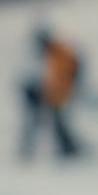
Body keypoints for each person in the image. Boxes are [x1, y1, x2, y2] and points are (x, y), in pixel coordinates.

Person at [19, 27, 85, 160]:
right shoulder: (53, 53)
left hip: (59, 94)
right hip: (55, 94)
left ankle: (70, 149)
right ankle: (68, 149)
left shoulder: (59, 52)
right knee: (58, 124)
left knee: (59, 124)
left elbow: (66, 74)